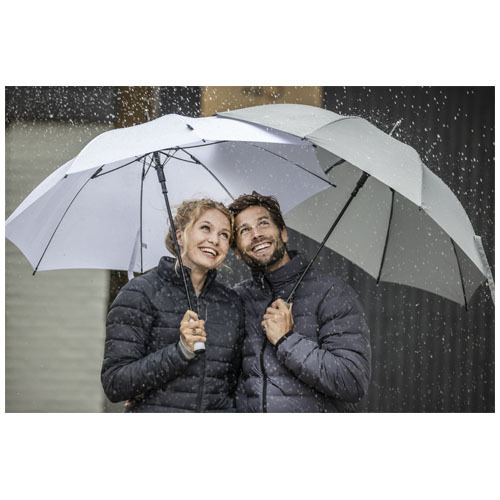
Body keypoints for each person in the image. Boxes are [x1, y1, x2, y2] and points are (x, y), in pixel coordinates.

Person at [228, 191, 371, 412]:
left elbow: (351, 381)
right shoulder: (236, 299)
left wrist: (286, 340)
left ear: (283, 233)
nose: (256, 234)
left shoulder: (331, 292)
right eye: (244, 230)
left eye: (263, 223)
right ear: (237, 251)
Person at [101, 199, 243, 412]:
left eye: (224, 234)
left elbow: (233, 384)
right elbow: (115, 384)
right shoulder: (140, 293)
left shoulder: (231, 303)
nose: (215, 240)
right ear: (179, 237)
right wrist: (181, 351)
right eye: (206, 228)